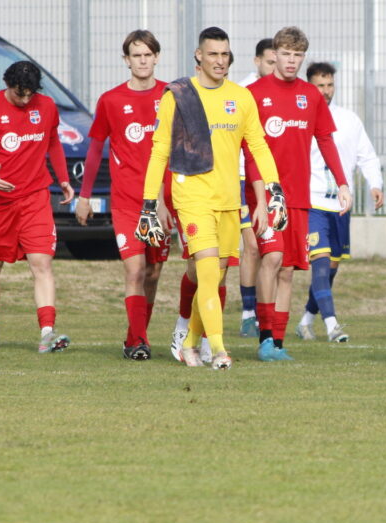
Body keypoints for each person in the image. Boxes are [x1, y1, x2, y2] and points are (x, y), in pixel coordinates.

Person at [137, 26, 279, 369]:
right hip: (192, 197)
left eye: (225, 54)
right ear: (198, 56)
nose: (220, 60)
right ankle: (218, 350)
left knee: (213, 277)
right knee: (207, 271)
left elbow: (258, 145)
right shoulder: (179, 95)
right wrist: (149, 203)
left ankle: (188, 343)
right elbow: (159, 151)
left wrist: (275, 190)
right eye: (213, 54)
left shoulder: (241, 97)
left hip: (230, 201)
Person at [245, 26, 351, 361]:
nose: (291, 61)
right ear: (274, 54)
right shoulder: (254, 93)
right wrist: (258, 197)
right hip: (266, 194)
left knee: (288, 270)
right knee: (272, 258)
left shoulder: (311, 96)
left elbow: (326, 140)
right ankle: (264, 336)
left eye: (297, 55)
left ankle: (277, 341)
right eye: (286, 54)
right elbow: (246, 149)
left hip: (300, 197)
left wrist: (343, 182)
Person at [0, 60, 74, 354]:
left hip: (35, 198)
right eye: (19, 94)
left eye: (29, 95)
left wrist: (63, 179)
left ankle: (47, 333)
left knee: (42, 264)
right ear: (7, 85)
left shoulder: (47, 106)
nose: (25, 100)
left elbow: (52, 143)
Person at [75, 29, 171, 360]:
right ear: (126, 60)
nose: (142, 61)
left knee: (153, 273)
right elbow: (95, 149)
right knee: (134, 270)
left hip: (163, 202)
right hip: (127, 201)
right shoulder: (111, 101)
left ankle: (134, 337)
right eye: (136, 55)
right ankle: (140, 342)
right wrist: (84, 196)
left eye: (148, 55)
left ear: (156, 57)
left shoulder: (172, 96)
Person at [295, 62, 384, 343]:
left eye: (329, 85)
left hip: (341, 207)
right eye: (319, 85)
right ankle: (332, 325)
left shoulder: (348, 120)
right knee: (320, 264)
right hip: (313, 203)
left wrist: (376, 184)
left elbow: (366, 155)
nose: (326, 91)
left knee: (330, 269)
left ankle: (306, 321)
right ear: (309, 86)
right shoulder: (299, 120)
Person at [231, 36, 277, 339]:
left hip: (267, 181)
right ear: (257, 61)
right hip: (239, 179)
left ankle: (263, 314)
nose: (275, 68)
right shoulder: (243, 94)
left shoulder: (281, 92)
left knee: (271, 255)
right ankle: (249, 313)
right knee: (251, 246)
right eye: (270, 62)